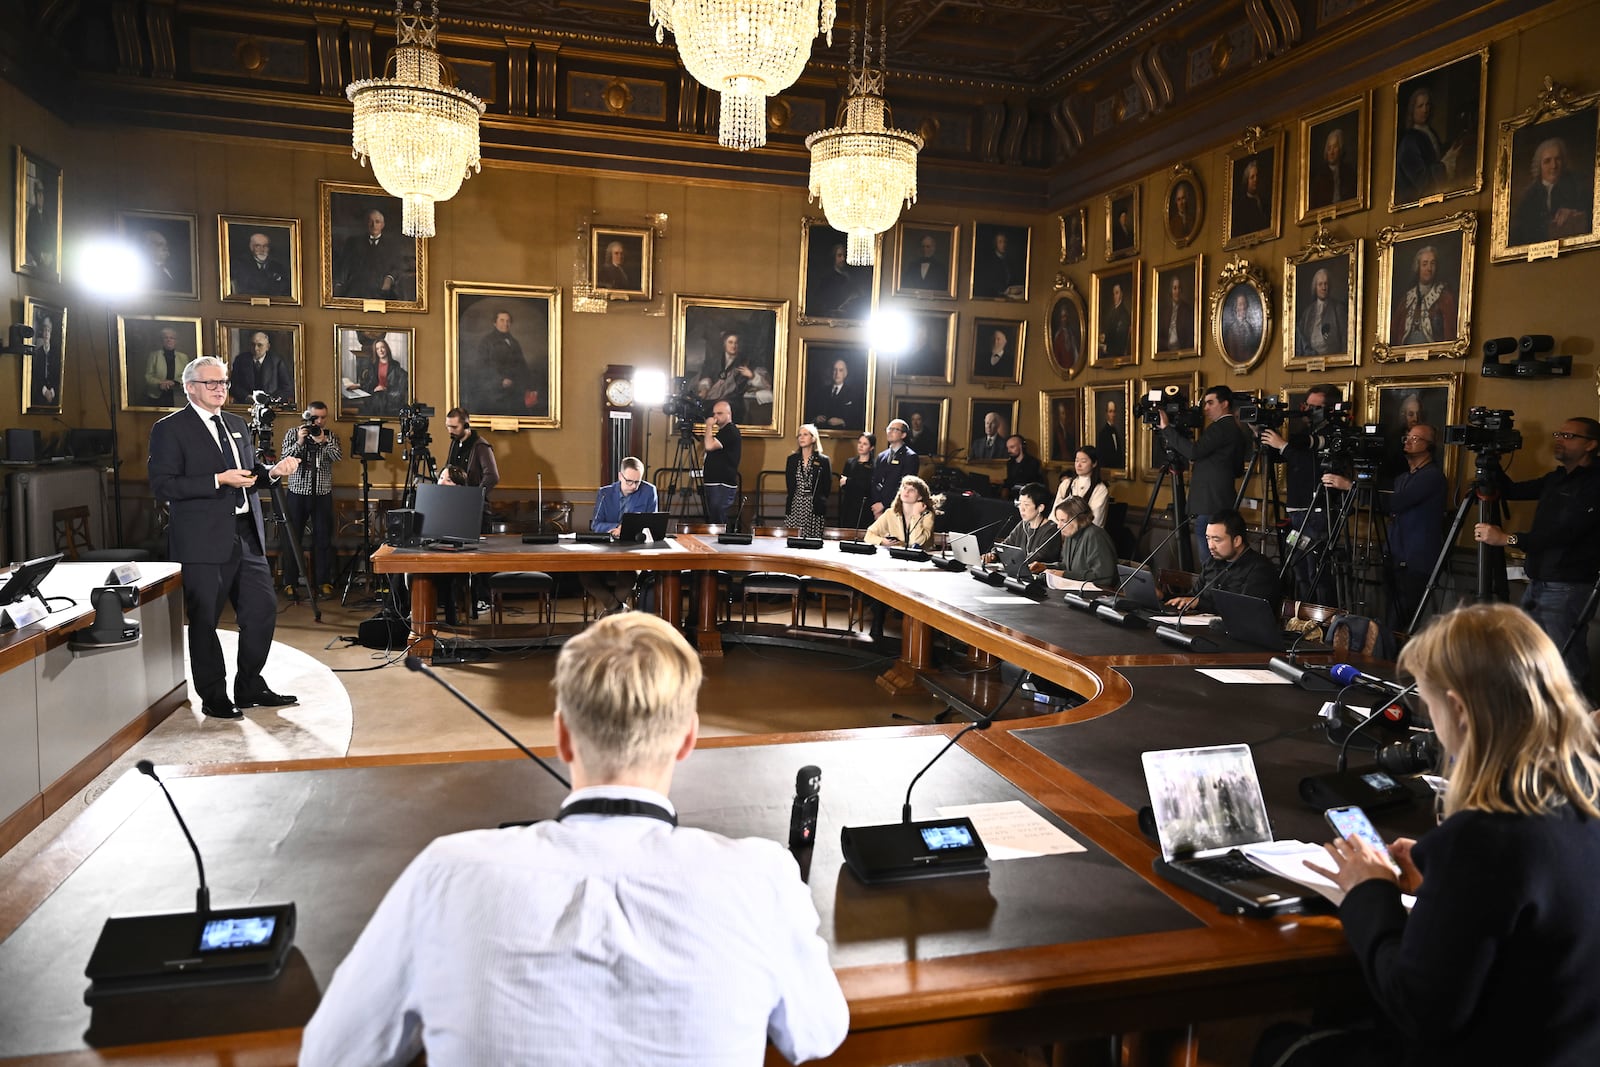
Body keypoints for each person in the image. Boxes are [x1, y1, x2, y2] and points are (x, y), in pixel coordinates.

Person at [298, 613, 850, 1067]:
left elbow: (332, 1055)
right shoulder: (761, 877)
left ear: (562, 734)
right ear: (688, 738)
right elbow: (818, 1032)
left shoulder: (447, 873)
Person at [1271, 603, 1600, 1067]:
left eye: (1431, 707)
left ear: (1460, 711)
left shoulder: (1485, 835)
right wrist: (1440, 887)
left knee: (1285, 1045)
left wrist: (1371, 891)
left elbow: (1419, 1007)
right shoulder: (1582, 799)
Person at [146, 356, 300, 720]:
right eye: (212, 383)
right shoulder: (170, 428)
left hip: (246, 536)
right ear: (190, 388)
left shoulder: (235, 424)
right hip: (201, 540)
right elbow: (163, 485)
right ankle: (214, 695)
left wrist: (272, 472)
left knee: (262, 612)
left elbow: (247, 473)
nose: (220, 389)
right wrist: (217, 480)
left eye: (224, 383)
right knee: (205, 621)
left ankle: (250, 686)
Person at [1475, 417, 1600, 694]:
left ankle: (1577, 728)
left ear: (1590, 444)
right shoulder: (1556, 478)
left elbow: (1566, 532)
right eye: (1559, 433)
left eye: (1569, 436)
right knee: (1532, 659)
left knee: (1565, 664)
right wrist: (1491, 463)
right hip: (1539, 580)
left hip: (1569, 584)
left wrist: (1508, 538)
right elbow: (1511, 491)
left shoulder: (1594, 484)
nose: (1559, 439)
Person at [1324, 421, 1445, 630]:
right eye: (1406, 437)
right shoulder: (1403, 478)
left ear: (1430, 446)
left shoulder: (1432, 477)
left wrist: (1349, 486)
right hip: (1395, 555)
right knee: (1388, 616)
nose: (1407, 441)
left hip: (1415, 560)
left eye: (1415, 438)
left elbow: (1395, 503)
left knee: (1399, 621)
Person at [1261, 385, 1349, 603]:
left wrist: (1283, 446)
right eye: (1306, 405)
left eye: (1314, 407)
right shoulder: (1306, 436)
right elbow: (1282, 458)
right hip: (1298, 513)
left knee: (1316, 573)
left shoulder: (1335, 436)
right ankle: (1301, 618)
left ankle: (1322, 624)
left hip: (1318, 512)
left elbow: (1314, 467)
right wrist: (1262, 433)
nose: (1308, 411)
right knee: (1299, 570)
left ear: (1329, 409)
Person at [1159, 385, 1251, 563]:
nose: (1206, 408)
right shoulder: (1236, 429)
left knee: (1209, 560)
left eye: (1210, 403)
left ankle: (1208, 591)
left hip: (1209, 505)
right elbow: (1237, 470)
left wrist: (1166, 429)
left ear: (1224, 404)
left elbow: (1194, 452)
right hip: (1222, 502)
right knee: (1219, 559)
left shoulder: (1220, 427)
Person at [581, 457, 660, 615]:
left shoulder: (649, 490)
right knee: (584, 573)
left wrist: (631, 529)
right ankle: (616, 608)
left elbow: (653, 523)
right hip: (605, 547)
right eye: (629, 481)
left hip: (632, 547)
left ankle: (610, 613)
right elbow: (596, 525)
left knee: (628, 573)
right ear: (620, 476)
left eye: (637, 482)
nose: (633, 486)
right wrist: (616, 528)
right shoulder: (605, 492)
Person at [279, 401, 341, 598]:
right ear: (307, 417)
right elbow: (285, 459)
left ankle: (323, 582)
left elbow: (337, 457)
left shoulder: (330, 436)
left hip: (322, 493)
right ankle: (290, 582)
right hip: (297, 492)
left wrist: (323, 441)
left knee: (323, 538)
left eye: (323, 417)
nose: (320, 421)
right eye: (316, 417)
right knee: (292, 538)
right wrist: (299, 441)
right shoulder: (292, 433)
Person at [1164, 509, 1280, 613]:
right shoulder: (1212, 562)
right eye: (1208, 538)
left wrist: (1200, 603)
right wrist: (1163, 597)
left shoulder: (1260, 569)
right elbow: (1192, 597)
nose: (1210, 546)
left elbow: (1245, 610)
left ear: (1237, 541)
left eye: (1216, 540)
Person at [1509, 136, 1592, 247]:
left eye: (1557, 159)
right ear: (1539, 166)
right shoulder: (1529, 195)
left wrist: (1573, 212)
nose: (1554, 166)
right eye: (1547, 161)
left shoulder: (1578, 186)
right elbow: (1518, 232)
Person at [1393, 85, 1462, 206]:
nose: (1425, 110)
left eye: (1427, 105)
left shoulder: (1429, 132)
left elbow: (1435, 156)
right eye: (1420, 106)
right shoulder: (1410, 141)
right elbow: (1422, 180)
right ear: (1412, 110)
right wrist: (1445, 165)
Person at [469, 308, 537, 417]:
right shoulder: (486, 342)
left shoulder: (514, 342)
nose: (505, 324)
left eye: (508, 321)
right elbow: (482, 367)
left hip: (514, 392)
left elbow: (522, 366)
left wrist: (531, 387)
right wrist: (500, 380)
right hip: (494, 393)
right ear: (494, 323)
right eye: (502, 320)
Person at [696, 329, 771, 425]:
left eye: (736, 343)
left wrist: (751, 376)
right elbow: (706, 375)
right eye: (730, 342)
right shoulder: (715, 360)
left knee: (728, 410)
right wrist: (704, 389)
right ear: (724, 344)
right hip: (712, 396)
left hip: (734, 398)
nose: (733, 346)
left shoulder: (746, 361)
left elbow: (765, 384)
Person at [1390, 244, 1456, 347]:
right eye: (1425, 264)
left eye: (1432, 264)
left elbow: (1450, 334)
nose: (1429, 268)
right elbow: (1394, 334)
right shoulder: (1406, 299)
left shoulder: (1445, 297)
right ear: (1418, 267)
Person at [333, 207, 406, 300]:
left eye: (377, 222)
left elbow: (398, 267)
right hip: (358, 290)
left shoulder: (392, 246)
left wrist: (389, 279)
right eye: (370, 221)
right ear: (366, 223)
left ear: (382, 225)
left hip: (382, 291)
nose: (373, 225)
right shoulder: (353, 243)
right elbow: (344, 265)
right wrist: (339, 284)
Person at [986, 483, 1059, 568]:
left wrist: (1010, 559)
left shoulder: (1052, 529)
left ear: (1040, 508)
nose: (1021, 509)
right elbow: (1005, 546)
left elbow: (1039, 557)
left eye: (1026, 505)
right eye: (1020, 504)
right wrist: (993, 555)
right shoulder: (1023, 525)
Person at [1050, 496, 1117, 587]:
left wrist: (1064, 575)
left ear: (1079, 518)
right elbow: (1066, 566)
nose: (1059, 526)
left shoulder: (1095, 535)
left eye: (1063, 521)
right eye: (1058, 520)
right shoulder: (1071, 533)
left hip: (1098, 594)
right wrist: (1045, 567)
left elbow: (1103, 577)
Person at [864, 474, 937, 549]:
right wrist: (882, 541)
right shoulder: (890, 513)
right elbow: (868, 536)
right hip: (897, 555)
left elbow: (916, 542)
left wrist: (916, 514)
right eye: (904, 488)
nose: (906, 492)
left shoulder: (927, 515)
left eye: (911, 490)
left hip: (919, 557)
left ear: (920, 497)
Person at [784, 424, 831, 538]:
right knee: (794, 540)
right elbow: (789, 484)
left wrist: (819, 499)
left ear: (813, 438)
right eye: (799, 435)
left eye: (805, 435)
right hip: (796, 505)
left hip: (814, 506)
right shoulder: (792, 460)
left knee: (812, 542)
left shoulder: (823, 460)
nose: (801, 438)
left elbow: (827, 486)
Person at [701, 399, 741, 525]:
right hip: (715, 482)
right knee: (714, 517)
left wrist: (708, 426)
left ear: (729, 414)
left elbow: (709, 445)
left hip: (721, 484)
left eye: (719, 413)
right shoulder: (723, 432)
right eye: (714, 414)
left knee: (718, 519)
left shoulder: (730, 431)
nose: (715, 417)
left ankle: (719, 541)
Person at [229, 330, 294, 405]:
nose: (255, 348)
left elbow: (287, 388)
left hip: (270, 406)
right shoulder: (240, 360)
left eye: (260, 345)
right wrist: (246, 397)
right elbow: (233, 385)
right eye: (252, 344)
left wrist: (270, 399)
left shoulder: (277, 362)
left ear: (267, 347)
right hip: (245, 404)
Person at [1295, 267, 1347, 357]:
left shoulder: (1337, 308)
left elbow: (1345, 337)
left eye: (1326, 284)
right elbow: (1300, 338)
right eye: (1320, 284)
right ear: (1315, 287)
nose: (1324, 287)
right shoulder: (1308, 311)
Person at [868, 419, 915, 519]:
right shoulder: (881, 456)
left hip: (897, 508)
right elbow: (875, 481)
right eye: (889, 429)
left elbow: (905, 486)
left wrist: (884, 504)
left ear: (903, 435)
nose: (890, 432)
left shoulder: (910, 457)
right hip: (877, 508)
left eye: (894, 429)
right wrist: (877, 503)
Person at [1053, 446, 1110, 527]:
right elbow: (1054, 513)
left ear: (1094, 463)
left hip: (1087, 534)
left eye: (1083, 461)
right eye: (1076, 461)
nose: (1078, 465)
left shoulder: (1100, 489)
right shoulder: (1066, 484)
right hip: (1062, 531)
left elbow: (1096, 520)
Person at [353, 337, 408, 418]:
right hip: (375, 394)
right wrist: (358, 385)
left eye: (382, 347)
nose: (380, 350)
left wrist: (385, 388)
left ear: (387, 349)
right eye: (377, 348)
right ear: (375, 351)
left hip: (389, 395)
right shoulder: (373, 366)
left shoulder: (395, 365)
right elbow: (369, 382)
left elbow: (401, 383)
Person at [810, 243, 868, 318]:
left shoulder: (852, 277)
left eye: (845, 256)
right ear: (834, 257)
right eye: (839, 255)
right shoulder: (828, 279)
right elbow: (822, 302)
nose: (843, 259)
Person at [143, 326, 194, 407]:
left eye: (172, 338)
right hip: (156, 396)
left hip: (177, 396)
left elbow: (188, 377)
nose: (168, 340)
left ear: (176, 341)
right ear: (162, 340)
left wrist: (174, 383)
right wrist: (160, 383)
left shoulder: (183, 357)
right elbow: (148, 376)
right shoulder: (154, 355)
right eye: (165, 338)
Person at [230, 231, 291, 297]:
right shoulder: (239, 264)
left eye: (265, 246)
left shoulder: (278, 267)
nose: (262, 250)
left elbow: (285, 290)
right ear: (251, 247)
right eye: (257, 246)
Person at [1308, 127, 1356, 209]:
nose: (1331, 152)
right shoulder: (1319, 176)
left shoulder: (1349, 172)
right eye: (1329, 148)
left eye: (1335, 147)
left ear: (1340, 149)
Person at [810, 358, 864, 430]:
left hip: (843, 436)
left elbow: (859, 420)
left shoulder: (853, 394)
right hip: (822, 434)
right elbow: (810, 414)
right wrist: (816, 419)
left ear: (845, 373)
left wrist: (842, 421)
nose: (837, 373)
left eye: (840, 370)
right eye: (835, 370)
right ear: (831, 372)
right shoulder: (821, 392)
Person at [838, 432, 876, 529]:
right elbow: (843, 484)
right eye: (859, 443)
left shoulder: (874, 465)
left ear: (871, 447)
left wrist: (850, 482)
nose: (861, 446)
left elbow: (868, 486)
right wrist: (854, 483)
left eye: (865, 444)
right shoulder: (850, 462)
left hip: (865, 506)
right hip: (849, 504)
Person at [1231, 157, 1272, 235]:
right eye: (1252, 177)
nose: (1255, 179)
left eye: (1257, 176)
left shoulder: (1265, 202)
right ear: (1247, 181)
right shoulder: (1241, 206)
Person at [142, 228, 190, 293]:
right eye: (160, 244)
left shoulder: (177, 270)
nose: (166, 248)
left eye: (166, 245)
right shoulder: (140, 271)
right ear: (146, 246)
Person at [973, 230, 1018, 298]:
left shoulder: (1009, 261)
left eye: (1005, 242)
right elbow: (990, 282)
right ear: (995, 244)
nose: (1003, 245)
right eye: (1000, 242)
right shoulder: (990, 261)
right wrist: (1007, 290)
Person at [28, 311, 59, 409]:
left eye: (48, 330)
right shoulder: (37, 353)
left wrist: (52, 392)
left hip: (55, 395)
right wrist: (45, 391)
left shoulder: (57, 354)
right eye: (45, 330)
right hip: (39, 395)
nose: (46, 333)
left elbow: (58, 376)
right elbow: (35, 376)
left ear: (51, 333)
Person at [1222, 291, 1259, 364]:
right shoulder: (1231, 331)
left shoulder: (1250, 327)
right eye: (1240, 304)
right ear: (1236, 308)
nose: (1243, 307)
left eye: (1245, 304)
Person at [1161, 275, 1195, 352]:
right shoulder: (1165, 311)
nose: (1177, 291)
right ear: (1171, 291)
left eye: (1179, 288)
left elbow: (1190, 336)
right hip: (1166, 351)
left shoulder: (1187, 310)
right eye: (1174, 288)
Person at [1100, 283, 1132, 361]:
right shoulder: (1112, 312)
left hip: (1116, 354)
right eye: (1113, 294)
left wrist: (1107, 347)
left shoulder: (1124, 314)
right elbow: (1110, 332)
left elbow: (1121, 341)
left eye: (1117, 293)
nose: (1114, 296)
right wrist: (1104, 337)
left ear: (1121, 294)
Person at [1050, 299, 1081, 372]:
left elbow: (1075, 350)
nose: (1065, 319)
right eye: (1063, 317)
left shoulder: (1071, 333)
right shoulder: (1058, 336)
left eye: (1066, 316)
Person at [1097, 399, 1125, 469]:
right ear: (1106, 414)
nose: (1113, 415)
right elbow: (1102, 457)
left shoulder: (1115, 431)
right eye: (1110, 412)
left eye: (1114, 412)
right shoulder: (1103, 433)